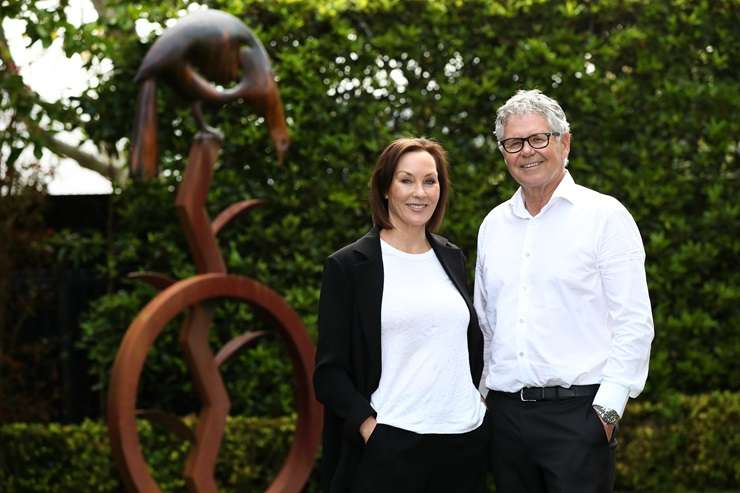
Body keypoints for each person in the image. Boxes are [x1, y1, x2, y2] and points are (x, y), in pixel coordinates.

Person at [474, 89, 654, 493]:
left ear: (564, 141)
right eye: (514, 143)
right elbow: (487, 322)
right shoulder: (493, 226)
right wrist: (486, 401)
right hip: (505, 420)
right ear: (503, 151)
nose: (527, 152)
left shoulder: (604, 217)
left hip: (578, 419)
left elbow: (634, 322)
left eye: (539, 138)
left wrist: (606, 414)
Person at [314, 137, 488, 493]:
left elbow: (467, 347)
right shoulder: (349, 266)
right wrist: (370, 429)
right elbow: (329, 372)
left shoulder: (453, 257)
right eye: (406, 180)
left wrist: (481, 404)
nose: (419, 192)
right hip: (391, 447)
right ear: (385, 188)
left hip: (465, 442)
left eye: (430, 180)